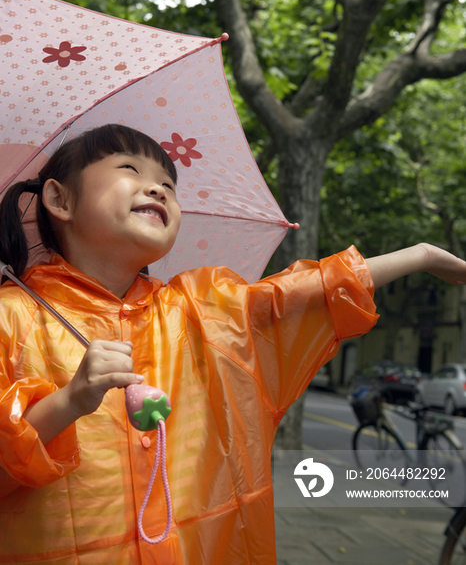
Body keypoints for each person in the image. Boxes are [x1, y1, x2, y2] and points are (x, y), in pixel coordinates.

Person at [0, 124, 465, 565]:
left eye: (169, 183)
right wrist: (68, 403)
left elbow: (304, 295)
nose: (158, 188)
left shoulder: (201, 309)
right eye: (129, 169)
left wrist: (421, 255)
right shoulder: (11, 318)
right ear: (59, 198)